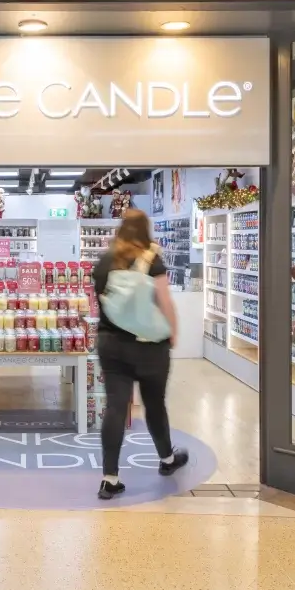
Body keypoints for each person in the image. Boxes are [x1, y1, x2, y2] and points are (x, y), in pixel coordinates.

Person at [92, 209, 187, 500]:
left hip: (111, 344)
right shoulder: (151, 259)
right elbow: (164, 301)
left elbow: (101, 303)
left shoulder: (105, 262)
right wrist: (173, 331)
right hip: (149, 346)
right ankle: (167, 459)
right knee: (154, 404)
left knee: (116, 408)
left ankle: (110, 478)